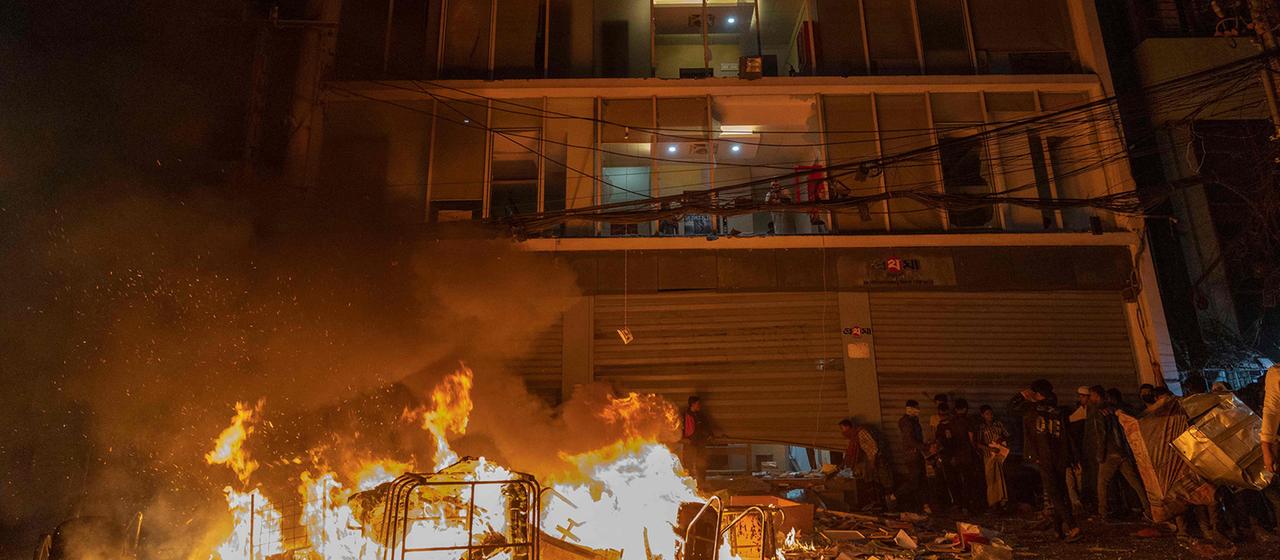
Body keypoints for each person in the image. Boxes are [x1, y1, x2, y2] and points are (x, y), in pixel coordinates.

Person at [1010, 379, 1083, 542]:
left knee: (1054, 494)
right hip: (1060, 456)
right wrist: (1073, 456)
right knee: (1060, 492)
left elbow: (1011, 408)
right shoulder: (1058, 411)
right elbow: (1067, 435)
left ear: (1038, 394)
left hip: (1044, 456)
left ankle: (1073, 527)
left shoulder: (1032, 409)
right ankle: (1058, 530)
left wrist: (1021, 395)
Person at [1087, 385, 1150, 520]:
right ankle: (1148, 508)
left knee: (1102, 483)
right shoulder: (1114, 409)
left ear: (1096, 395)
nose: (1090, 398)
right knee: (1135, 482)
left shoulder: (1099, 411)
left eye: (1091, 395)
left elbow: (1102, 434)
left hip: (1110, 453)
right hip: (1122, 451)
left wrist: (1100, 454)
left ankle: (1103, 513)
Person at [838, 418, 891, 510]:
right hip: (873, 461)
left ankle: (888, 506)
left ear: (848, 427)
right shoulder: (855, 437)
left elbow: (873, 448)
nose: (842, 432)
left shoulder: (861, 433)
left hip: (878, 461)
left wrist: (872, 464)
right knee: (874, 483)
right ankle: (878, 504)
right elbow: (852, 453)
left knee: (884, 484)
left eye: (842, 429)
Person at [897, 400, 933, 513]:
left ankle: (925, 505)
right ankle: (894, 496)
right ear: (910, 409)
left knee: (922, 480)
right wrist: (925, 447)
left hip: (917, 454)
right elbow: (910, 440)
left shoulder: (913, 421)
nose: (918, 410)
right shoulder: (907, 422)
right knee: (914, 481)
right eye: (916, 408)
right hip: (912, 456)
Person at [1064, 386, 1091, 515]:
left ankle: (1077, 504)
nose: (1081, 398)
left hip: (1076, 454)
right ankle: (1078, 504)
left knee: (1073, 481)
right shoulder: (1078, 416)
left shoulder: (1082, 415)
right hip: (1075, 455)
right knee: (1075, 480)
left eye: (1083, 396)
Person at [978, 405, 1010, 509]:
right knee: (991, 479)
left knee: (1001, 478)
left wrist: (1001, 441)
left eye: (991, 413)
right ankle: (993, 502)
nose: (990, 416)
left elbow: (1007, 435)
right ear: (982, 415)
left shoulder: (998, 424)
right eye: (987, 414)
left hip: (1000, 454)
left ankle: (1003, 501)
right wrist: (990, 449)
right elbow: (978, 443)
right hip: (989, 456)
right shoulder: (982, 427)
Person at [682, 396, 714, 487]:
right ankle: (690, 484)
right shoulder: (686, 415)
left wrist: (710, 435)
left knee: (701, 463)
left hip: (700, 443)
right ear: (692, 404)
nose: (699, 405)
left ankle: (701, 483)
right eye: (698, 404)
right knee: (690, 464)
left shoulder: (700, 415)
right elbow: (685, 429)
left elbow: (705, 426)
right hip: (691, 444)